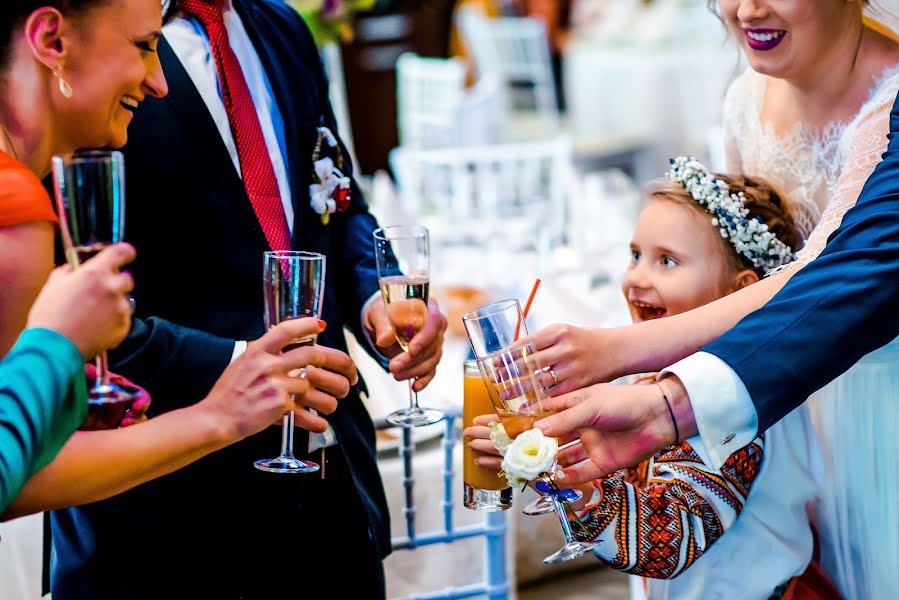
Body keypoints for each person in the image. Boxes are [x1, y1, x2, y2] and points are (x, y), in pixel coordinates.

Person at [48, 1, 448, 598]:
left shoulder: (281, 26)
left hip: (327, 485)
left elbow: (336, 200)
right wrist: (242, 364)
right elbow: (69, 301)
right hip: (162, 507)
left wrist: (372, 300)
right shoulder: (95, 44)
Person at [498, 2, 899, 596]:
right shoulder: (747, 95)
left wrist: (621, 351)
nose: (746, 9)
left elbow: (826, 273)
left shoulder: (887, 104)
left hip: (875, 403)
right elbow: (742, 269)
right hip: (774, 378)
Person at [0, 0, 355, 522]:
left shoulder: (281, 29)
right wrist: (219, 416)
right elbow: (17, 470)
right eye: (144, 46)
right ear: (53, 40)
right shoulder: (15, 208)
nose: (159, 81)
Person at [469, 159, 838, 599]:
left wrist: (554, 470)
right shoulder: (658, 380)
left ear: (741, 291)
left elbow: (666, 541)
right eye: (636, 255)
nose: (637, 278)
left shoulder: (736, 403)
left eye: (667, 261)